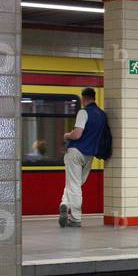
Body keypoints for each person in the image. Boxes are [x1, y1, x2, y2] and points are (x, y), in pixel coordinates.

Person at [59, 87, 106, 227]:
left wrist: (67, 135)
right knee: (76, 183)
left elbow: (77, 134)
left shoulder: (83, 112)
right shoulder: (102, 115)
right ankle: (65, 203)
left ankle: (76, 218)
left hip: (75, 152)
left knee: (74, 185)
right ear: (94, 98)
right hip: (89, 154)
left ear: (83, 99)